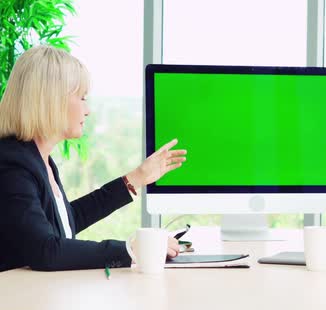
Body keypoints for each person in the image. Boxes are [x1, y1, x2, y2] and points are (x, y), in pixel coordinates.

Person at [0, 45, 187, 272]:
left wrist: (136, 178)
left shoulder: (40, 160)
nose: (87, 110)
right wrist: (130, 250)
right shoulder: (12, 165)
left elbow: (66, 222)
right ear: (51, 100)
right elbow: (46, 250)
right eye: (82, 98)